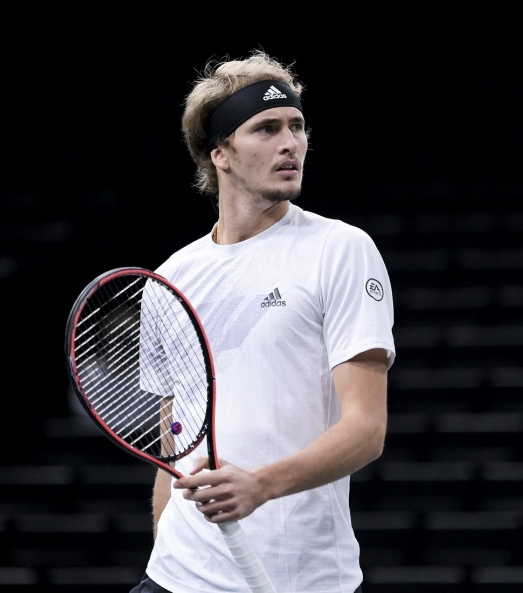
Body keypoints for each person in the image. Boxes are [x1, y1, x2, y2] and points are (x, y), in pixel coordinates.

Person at [129, 50, 395, 593]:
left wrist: (261, 486)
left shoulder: (339, 250)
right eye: (267, 128)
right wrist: (164, 545)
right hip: (179, 577)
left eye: (297, 126)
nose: (291, 143)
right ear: (220, 153)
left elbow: (366, 430)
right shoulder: (171, 278)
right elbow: (173, 441)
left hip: (299, 576)